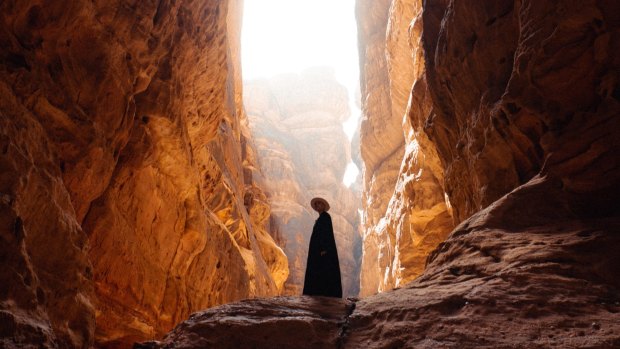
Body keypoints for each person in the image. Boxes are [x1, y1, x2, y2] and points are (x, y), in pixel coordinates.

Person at [302, 197, 342, 298]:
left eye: (320, 204)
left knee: (323, 270)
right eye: (317, 204)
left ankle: (323, 292)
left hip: (323, 251)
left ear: (324, 206)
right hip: (318, 251)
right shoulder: (321, 218)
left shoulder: (326, 217)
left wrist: (324, 248)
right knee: (319, 270)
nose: (318, 205)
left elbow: (327, 234)